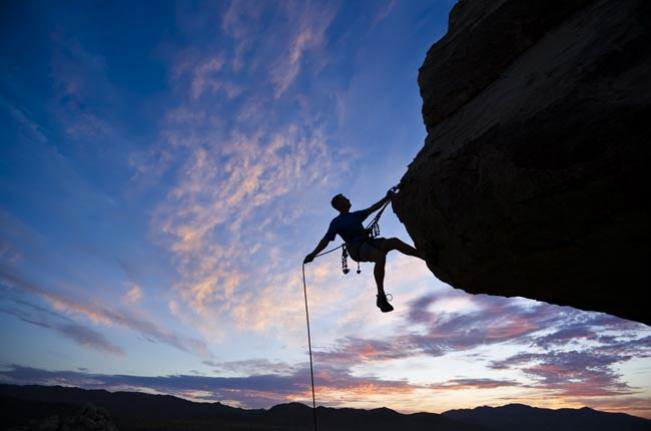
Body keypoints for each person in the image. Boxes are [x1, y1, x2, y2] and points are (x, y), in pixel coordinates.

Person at [303, 190, 423, 313]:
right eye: (345, 199)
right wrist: (313, 254)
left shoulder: (355, 215)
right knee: (380, 257)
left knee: (394, 242)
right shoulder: (336, 223)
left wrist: (387, 198)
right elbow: (326, 240)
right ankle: (381, 296)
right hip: (356, 249)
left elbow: (372, 209)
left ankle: (423, 256)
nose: (348, 199)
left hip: (367, 243)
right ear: (339, 205)